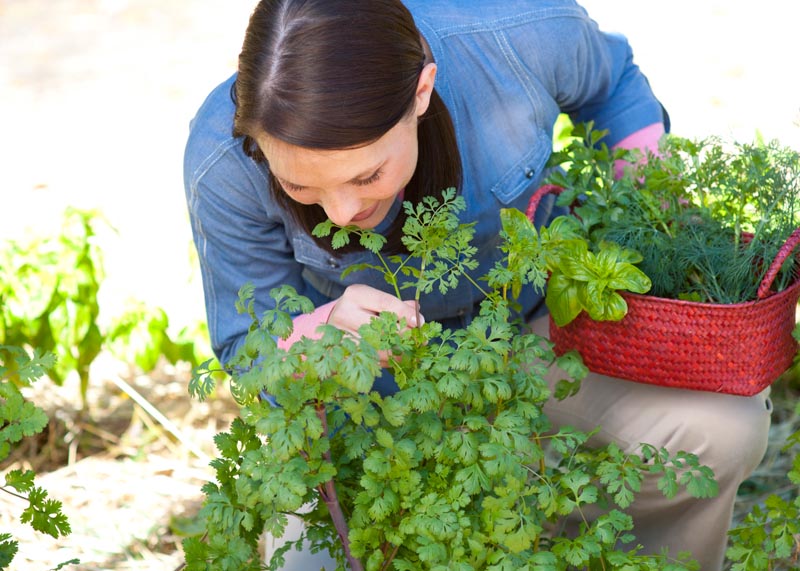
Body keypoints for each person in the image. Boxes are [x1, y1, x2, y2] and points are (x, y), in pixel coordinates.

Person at [183, 1, 772, 569]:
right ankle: (529, 518)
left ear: (422, 91)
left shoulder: (519, 32)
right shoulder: (224, 159)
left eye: (367, 175)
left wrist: (642, 200)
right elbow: (249, 348)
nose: (339, 213)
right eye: (302, 188)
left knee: (720, 430)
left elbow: (611, 81)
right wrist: (318, 338)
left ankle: (575, 532)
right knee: (316, 562)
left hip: (539, 336)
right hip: (369, 412)